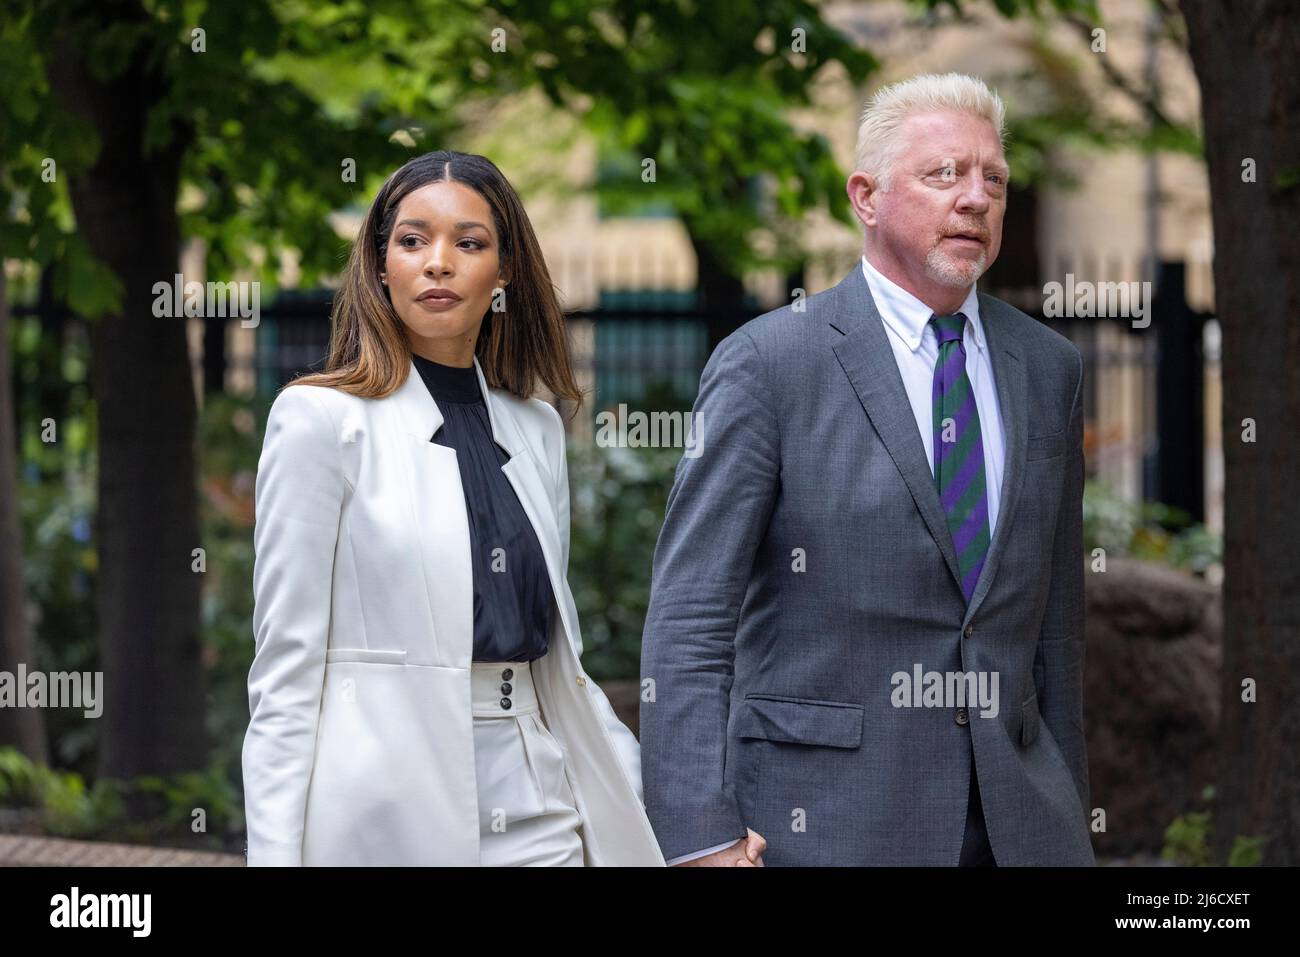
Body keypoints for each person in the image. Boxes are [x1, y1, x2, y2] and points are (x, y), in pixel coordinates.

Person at [640, 73, 1096, 866]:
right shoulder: (770, 364)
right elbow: (689, 617)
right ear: (866, 196)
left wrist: (1067, 818)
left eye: (994, 178)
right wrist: (697, 834)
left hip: (1019, 826)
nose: (976, 199)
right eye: (943, 174)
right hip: (825, 823)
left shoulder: (1048, 367)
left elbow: (1057, 627)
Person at [242, 150, 664, 867]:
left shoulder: (533, 427)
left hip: (537, 792)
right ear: (380, 265)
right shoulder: (318, 420)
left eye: (468, 243)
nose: (437, 262)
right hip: (383, 813)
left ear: (505, 272)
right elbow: (284, 675)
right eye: (411, 240)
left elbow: (566, 666)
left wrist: (671, 809)